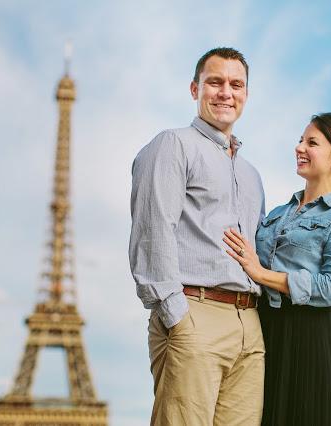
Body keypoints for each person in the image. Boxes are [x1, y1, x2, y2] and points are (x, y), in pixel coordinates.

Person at [129, 47, 265, 426]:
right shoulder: (173, 145)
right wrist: (176, 316)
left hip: (250, 326)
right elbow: (153, 229)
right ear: (195, 89)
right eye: (215, 82)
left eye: (236, 84)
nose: (226, 93)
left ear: (246, 94)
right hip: (194, 313)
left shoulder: (252, 175)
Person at [223, 112, 331, 426]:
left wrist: (261, 274)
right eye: (301, 140)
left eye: (312, 143)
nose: (300, 147)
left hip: (310, 335)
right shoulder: (278, 213)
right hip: (263, 328)